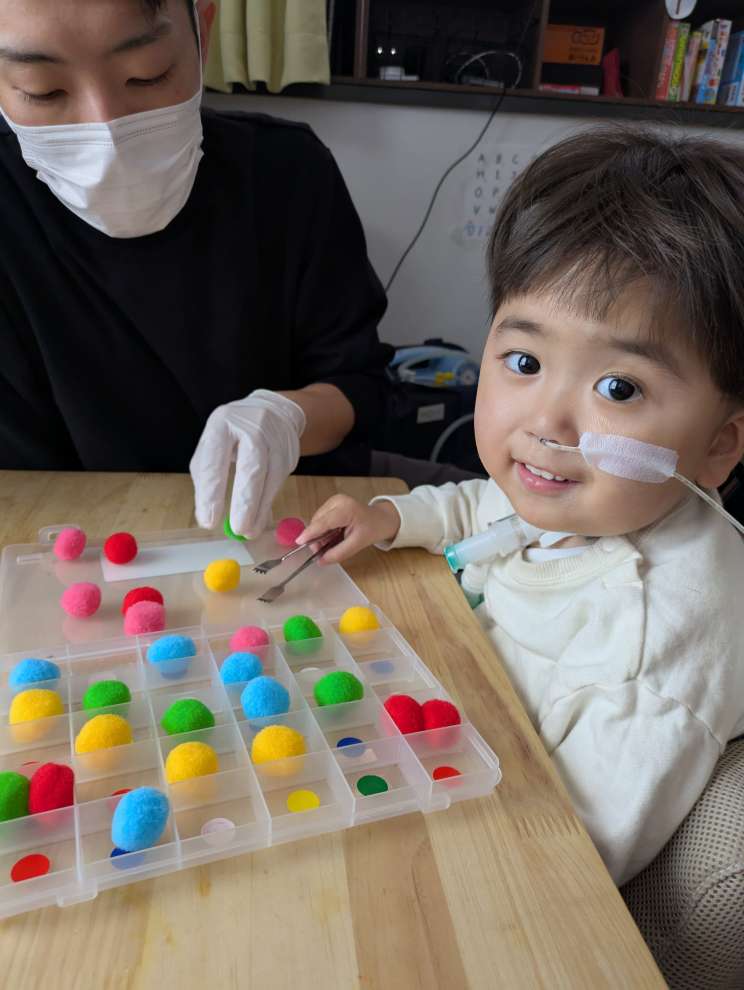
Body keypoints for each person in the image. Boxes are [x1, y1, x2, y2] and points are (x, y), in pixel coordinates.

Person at [297, 126, 744, 885]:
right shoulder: (589, 499)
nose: (546, 423)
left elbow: (576, 852)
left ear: (718, 446)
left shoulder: (657, 638)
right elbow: (482, 509)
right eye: (525, 361)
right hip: (460, 715)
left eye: (619, 388)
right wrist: (390, 519)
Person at [0, 0, 392, 536]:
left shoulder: (288, 173)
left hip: (283, 527)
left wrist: (289, 417)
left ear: (202, 32)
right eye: (42, 90)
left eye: (148, 74)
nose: (107, 129)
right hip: (68, 542)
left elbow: (360, 387)